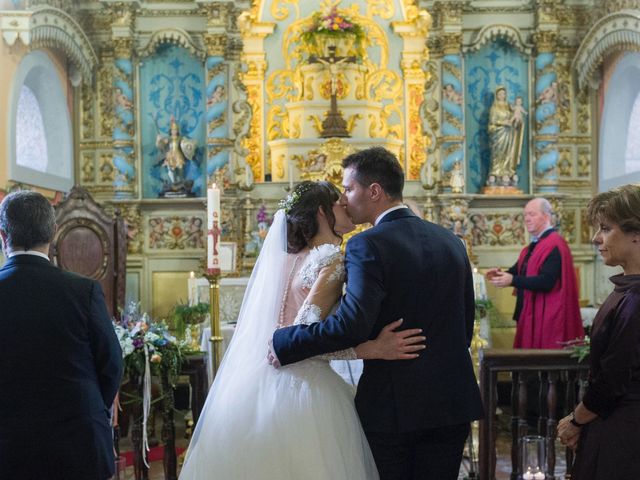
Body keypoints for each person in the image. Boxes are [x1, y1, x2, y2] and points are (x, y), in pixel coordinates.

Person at [179, 181, 425, 480]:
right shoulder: (331, 259)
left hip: (256, 382)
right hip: (306, 391)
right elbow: (304, 340)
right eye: (339, 202)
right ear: (323, 211)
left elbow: (282, 338)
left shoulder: (283, 259)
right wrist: (369, 349)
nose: (347, 205)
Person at [270, 147, 484, 480]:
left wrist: (285, 341)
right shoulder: (452, 242)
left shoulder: (367, 244)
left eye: (349, 188)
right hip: (451, 403)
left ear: (374, 191)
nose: (344, 197)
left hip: (394, 405)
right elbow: (465, 324)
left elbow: (351, 325)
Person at [0, 191, 123, 480]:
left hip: (9, 447)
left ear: (3, 234)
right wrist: (90, 407)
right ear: (54, 233)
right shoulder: (84, 291)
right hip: (79, 442)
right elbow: (111, 364)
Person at [557, 183, 640, 479]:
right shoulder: (627, 291)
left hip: (625, 433)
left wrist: (575, 421)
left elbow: (612, 379)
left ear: (636, 233)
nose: (596, 238)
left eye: (606, 228)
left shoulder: (635, 299)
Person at [486, 198, 584, 348]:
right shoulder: (534, 245)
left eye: (532, 214)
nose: (526, 218)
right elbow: (519, 270)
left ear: (546, 216)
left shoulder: (554, 244)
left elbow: (547, 282)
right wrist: (500, 274)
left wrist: (512, 280)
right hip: (528, 312)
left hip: (546, 317)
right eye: (525, 215)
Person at [487, 86, 523, 187]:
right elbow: (493, 121)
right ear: (497, 96)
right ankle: (496, 171)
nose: (502, 95)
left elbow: (515, 118)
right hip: (498, 134)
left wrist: (517, 120)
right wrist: (503, 123)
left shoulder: (508, 107)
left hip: (508, 133)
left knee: (508, 152)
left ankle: (506, 171)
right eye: (500, 94)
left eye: (503, 93)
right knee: (498, 153)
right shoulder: (494, 108)